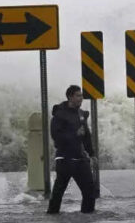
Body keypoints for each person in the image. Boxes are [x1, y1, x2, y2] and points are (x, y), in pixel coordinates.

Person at [46, 85, 96, 214]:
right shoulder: (60, 114)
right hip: (65, 159)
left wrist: (91, 154)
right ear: (70, 97)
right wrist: (75, 133)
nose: (81, 98)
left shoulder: (81, 113)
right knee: (58, 192)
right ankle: (52, 216)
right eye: (78, 96)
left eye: (81, 96)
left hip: (80, 159)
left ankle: (87, 216)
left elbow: (86, 136)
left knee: (90, 190)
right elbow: (56, 136)